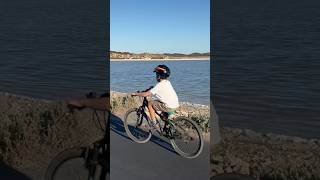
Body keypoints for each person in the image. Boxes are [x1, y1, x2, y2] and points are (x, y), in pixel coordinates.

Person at [131, 64, 179, 130]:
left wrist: (136, 94)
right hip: (175, 104)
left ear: (159, 75)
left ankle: (154, 123)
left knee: (150, 103)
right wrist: (151, 88)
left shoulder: (159, 85)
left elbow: (146, 94)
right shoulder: (167, 82)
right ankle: (170, 117)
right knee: (160, 102)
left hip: (168, 106)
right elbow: (157, 89)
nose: (156, 76)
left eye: (156, 74)